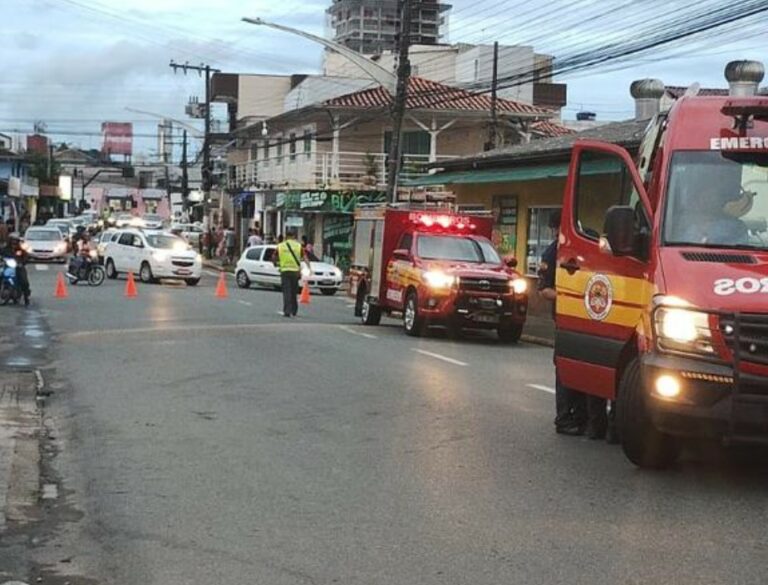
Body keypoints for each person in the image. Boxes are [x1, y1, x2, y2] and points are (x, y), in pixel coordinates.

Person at [537, 211, 587, 436]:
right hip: (564, 318)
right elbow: (543, 290)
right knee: (564, 367)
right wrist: (566, 297)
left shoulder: (584, 247)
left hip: (584, 318)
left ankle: (581, 415)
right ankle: (564, 417)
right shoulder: (551, 254)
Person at [276, 229, 303, 318]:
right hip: (295, 272)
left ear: (286, 236)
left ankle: (287, 311)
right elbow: (304, 257)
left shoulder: (280, 246)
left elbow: (273, 257)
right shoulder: (299, 246)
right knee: (294, 292)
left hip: (285, 271)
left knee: (286, 292)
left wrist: (276, 264)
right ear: (294, 236)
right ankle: (294, 310)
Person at [1, 233, 31, 306]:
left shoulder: (20, 250)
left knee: (24, 280)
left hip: (18, 267)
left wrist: (22, 263)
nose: (14, 243)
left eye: (15, 241)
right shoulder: (4, 249)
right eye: (12, 240)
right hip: (7, 266)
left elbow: (26, 256)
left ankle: (26, 297)